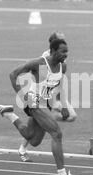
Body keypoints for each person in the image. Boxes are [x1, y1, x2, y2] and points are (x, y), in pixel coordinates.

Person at [0, 38, 75, 175]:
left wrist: (64, 106)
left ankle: (9, 114)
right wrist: (22, 96)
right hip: (33, 101)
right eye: (62, 51)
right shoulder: (40, 63)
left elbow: (59, 85)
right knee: (56, 133)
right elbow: (13, 74)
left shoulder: (63, 67)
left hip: (45, 104)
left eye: (67, 51)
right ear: (53, 51)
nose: (65, 54)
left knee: (33, 139)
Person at [18, 31, 77, 162]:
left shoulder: (61, 56)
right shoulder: (46, 57)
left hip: (54, 92)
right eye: (61, 41)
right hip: (44, 95)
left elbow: (59, 79)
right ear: (54, 45)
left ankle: (38, 126)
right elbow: (45, 82)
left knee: (71, 116)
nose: (65, 45)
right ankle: (23, 147)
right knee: (45, 125)